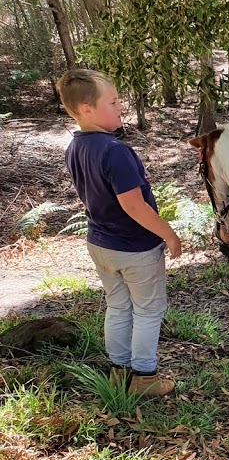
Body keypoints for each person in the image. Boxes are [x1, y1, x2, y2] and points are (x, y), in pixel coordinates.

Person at [56, 69, 182, 397]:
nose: (121, 107)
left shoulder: (76, 146)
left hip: (99, 243)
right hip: (134, 248)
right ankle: (144, 377)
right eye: (112, 102)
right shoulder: (114, 151)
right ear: (86, 109)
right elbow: (134, 206)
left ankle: (119, 372)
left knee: (118, 306)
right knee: (148, 310)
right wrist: (169, 234)